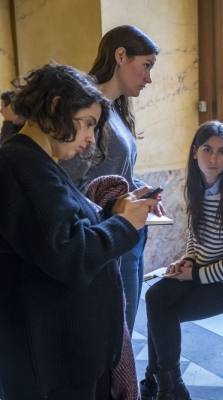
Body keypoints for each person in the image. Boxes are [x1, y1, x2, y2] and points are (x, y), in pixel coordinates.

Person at [0, 64, 158, 400]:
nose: (90, 139)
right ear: (56, 105)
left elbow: (61, 234)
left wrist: (114, 212)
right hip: (52, 365)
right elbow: (69, 253)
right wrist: (124, 224)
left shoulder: (39, 164)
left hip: (67, 357)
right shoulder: (19, 164)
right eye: (87, 123)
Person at [140, 121, 223, 400]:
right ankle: (166, 386)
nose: (213, 159)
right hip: (204, 270)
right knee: (155, 297)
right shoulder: (196, 188)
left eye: (222, 152)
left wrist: (194, 276)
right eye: (207, 149)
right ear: (195, 152)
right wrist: (188, 261)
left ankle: (161, 386)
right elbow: (196, 237)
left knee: (162, 313)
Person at [60, 25, 164, 334]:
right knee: (115, 339)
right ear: (120, 56)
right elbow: (72, 186)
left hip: (129, 234)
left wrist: (140, 191)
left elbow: (116, 175)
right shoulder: (89, 112)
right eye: (145, 65)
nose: (148, 77)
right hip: (107, 237)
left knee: (125, 334)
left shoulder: (116, 108)